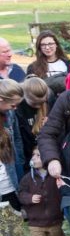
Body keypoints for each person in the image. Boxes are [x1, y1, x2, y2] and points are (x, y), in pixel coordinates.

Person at [19, 148, 65, 236]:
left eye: (38, 155)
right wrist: (29, 198)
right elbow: (21, 194)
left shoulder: (56, 176)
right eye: (33, 155)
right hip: (36, 221)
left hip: (55, 219)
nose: (34, 158)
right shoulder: (27, 178)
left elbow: (63, 192)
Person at [15, 77, 50, 173]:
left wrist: (49, 125)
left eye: (41, 103)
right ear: (25, 96)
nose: (38, 106)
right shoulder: (18, 108)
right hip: (26, 155)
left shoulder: (48, 103)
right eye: (34, 103)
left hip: (44, 153)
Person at [0, 80, 24, 208]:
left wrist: (20, 162)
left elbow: (17, 140)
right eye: (13, 105)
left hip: (9, 182)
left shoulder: (10, 115)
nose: (15, 109)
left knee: (10, 227)